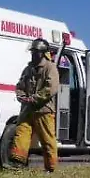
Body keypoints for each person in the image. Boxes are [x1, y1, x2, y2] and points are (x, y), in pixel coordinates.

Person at [9, 38, 61, 171]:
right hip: (28, 109)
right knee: (21, 132)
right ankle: (17, 163)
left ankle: (51, 168)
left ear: (43, 53)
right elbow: (20, 85)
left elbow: (51, 88)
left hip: (44, 110)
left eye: (35, 52)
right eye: (32, 52)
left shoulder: (50, 68)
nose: (33, 54)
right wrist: (21, 97)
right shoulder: (28, 69)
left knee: (47, 140)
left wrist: (34, 98)